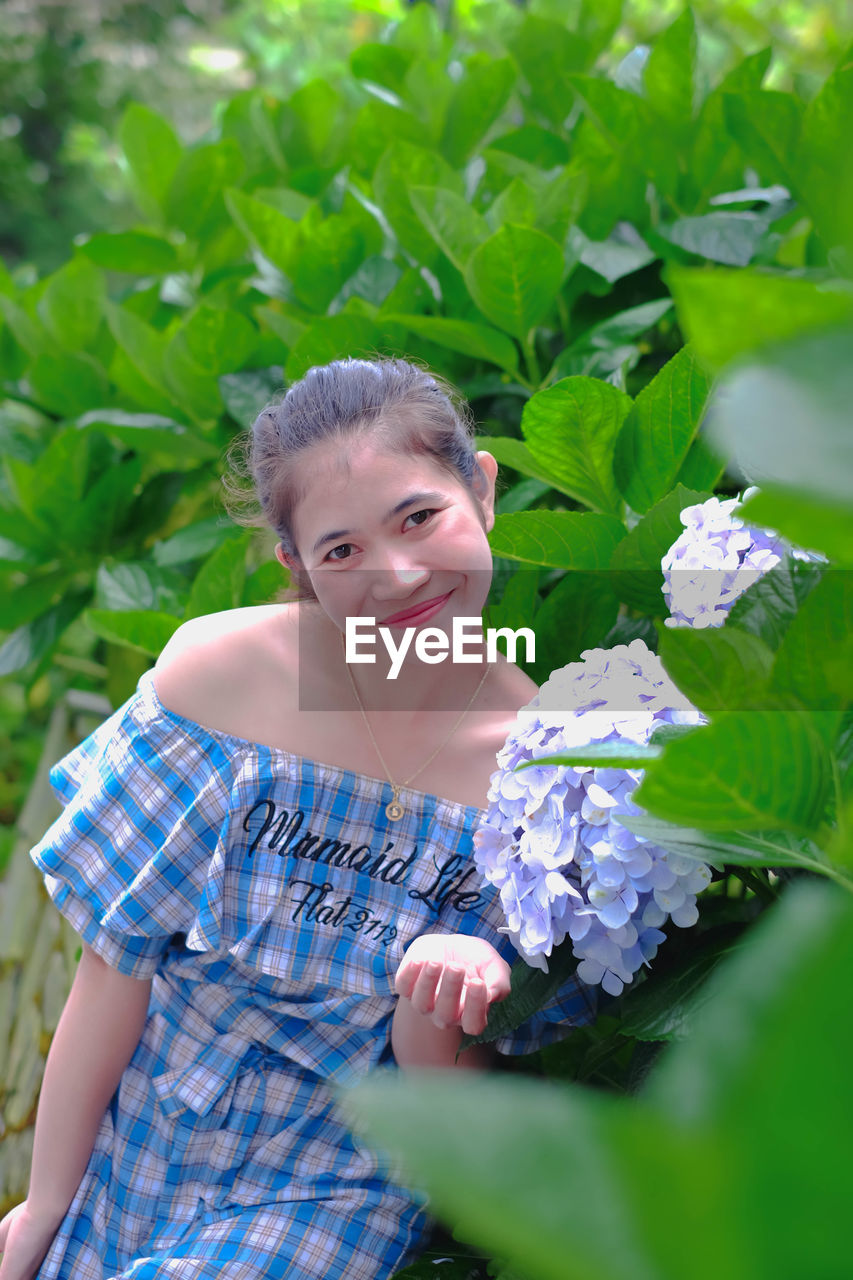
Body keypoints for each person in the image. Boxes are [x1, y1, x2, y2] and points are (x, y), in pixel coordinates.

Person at [0, 358, 596, 1280]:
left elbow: (459, 1102)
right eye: (342, 550)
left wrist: (439, 1002)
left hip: (339, 1179)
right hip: (146, 1130)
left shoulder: (546, 777)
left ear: (480, 488)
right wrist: (45, 1207)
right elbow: (113, 971)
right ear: (298, 565)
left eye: (418, 517)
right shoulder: (221, 678)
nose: (396, 575)